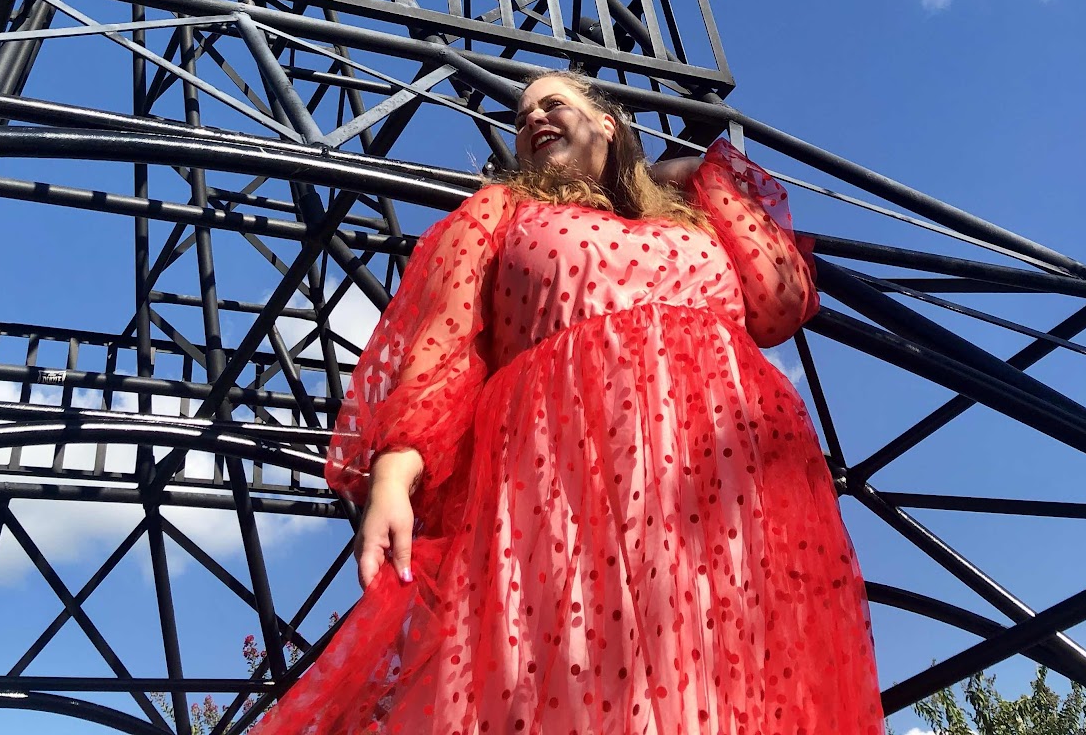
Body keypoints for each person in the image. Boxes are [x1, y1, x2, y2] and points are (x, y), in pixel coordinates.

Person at [263, 69, 884, 735]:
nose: (533, 118)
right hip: (567, 496)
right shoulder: (502, 212)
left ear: (609, 125)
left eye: (553, 103)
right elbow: (441, 349)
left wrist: (702, 176)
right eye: (522, 118)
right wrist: (393, 476)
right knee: (588, 693)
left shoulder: (692, 215)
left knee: (726, 697)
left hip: (728, 504)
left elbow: (781, 299)